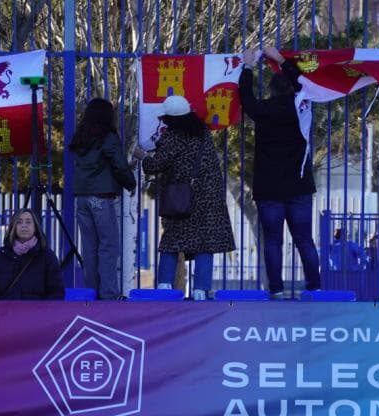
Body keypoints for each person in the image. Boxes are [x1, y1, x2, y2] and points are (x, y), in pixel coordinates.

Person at [132, 95, 235, 300]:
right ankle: (200, 291)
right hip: (209, 198)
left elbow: (155, 166)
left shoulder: (172, 137)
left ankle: (164, 287)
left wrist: (142, 155)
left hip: (182, 198)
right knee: (205, 243)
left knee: (171, 242)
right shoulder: (203, 133)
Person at [239, 45, 322, 299]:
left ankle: (276, 289)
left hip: (269, 188)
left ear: (272, 90)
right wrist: (280, 59)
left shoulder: (262, 111)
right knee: (304, 240)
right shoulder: (302, 108)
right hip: (299, 185)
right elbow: (304, 82)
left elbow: (246, 98)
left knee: (273, 241)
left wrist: (248, 66)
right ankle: (314, 286)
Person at [68, 98, 136, 300]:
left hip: (82, 198)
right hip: (101, 198)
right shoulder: (108, 137)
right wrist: (130, 184)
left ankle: (92, 293)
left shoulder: (81, 137)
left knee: (89, 248)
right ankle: (108, 295)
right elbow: (119, 166)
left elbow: (97, 165)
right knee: (108, 246)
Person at [0, 208, 64, 300]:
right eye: (19, 222)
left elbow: (57, 292)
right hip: (5, 312)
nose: (24, 226)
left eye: (28, 222)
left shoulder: (47, 256)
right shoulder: (1, 255)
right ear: (13, 227)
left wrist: (42, 312)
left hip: (36, 313)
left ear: (35, 227)